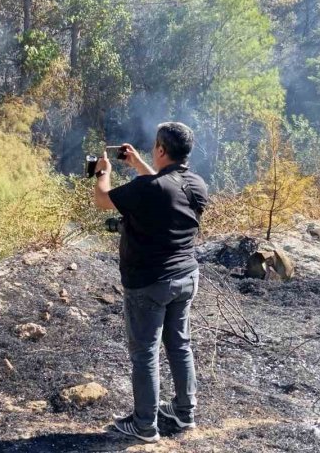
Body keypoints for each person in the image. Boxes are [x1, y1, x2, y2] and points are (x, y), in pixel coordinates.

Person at [91, 122, 209, 443]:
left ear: (160, 150)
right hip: (186, 277)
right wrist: (137, 164)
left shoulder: (149, 190)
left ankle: (144, 425)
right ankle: (184, 413)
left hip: (150, 283)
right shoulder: (196, 184)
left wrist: (102, 171)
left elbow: (103, 200)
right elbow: (165, 186)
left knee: (145, 353)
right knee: (179, 344)